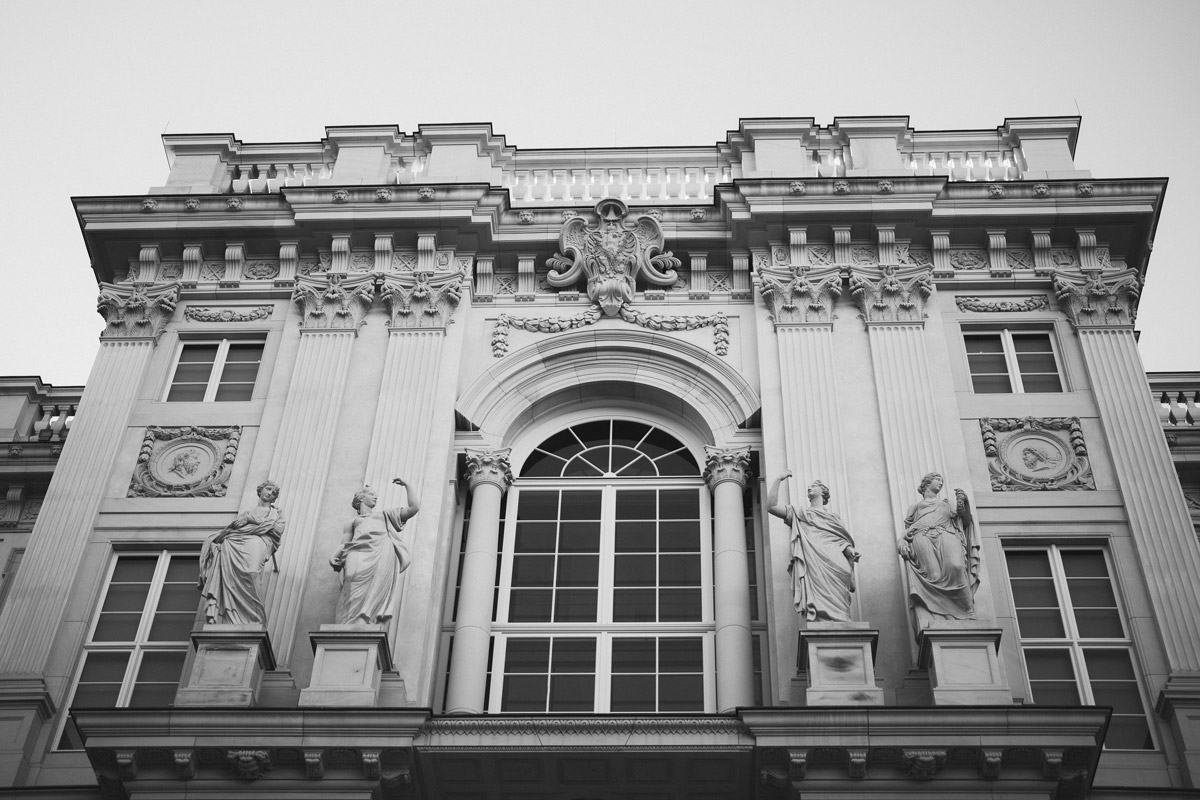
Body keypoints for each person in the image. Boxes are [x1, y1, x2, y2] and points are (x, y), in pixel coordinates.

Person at [767, 471, 860, 622]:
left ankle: (841, 622)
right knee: (819, 599)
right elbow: (771, 507)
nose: (810, 488)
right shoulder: (800, 514)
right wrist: (778, 479)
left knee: (840, 596)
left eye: (814, 486)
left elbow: (842, 541)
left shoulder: (834, 519)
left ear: (823, 493)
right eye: (809, 486)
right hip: (815, 561)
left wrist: (851, 551)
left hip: (836, 561)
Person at [330, 477, 420, 625]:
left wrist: (407, 485)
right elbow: (345, 544)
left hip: (380, 551)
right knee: (350, 580)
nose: (375, 497)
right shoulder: (352, 522)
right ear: (361, 497)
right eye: (371, 494)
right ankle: (346, 622)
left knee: (374, 586)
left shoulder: (384, 515)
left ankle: (363, 618)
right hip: (356, 552)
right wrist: (334, 556)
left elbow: (413, 508)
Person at [897, 472, 980, 630]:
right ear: (927, 483)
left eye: (942, 481)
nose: (941, 483)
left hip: (946, 535)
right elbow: (908, 529)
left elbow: (965, 520)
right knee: (933, 575)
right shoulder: (915, 507)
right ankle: (938, 617)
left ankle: (968, 611)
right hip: (922, 538)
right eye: (938, 480)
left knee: (957, 567)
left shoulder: (947, 504)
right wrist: (901, 541)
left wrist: (965, 503)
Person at [198, 480, 285, 625]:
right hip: (235, 541)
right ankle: (234, 617)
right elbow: (234, 528)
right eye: (268, 489)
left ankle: (255, 617)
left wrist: (250, 519)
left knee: (252, 572)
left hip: (259, 540)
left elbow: (277, 529)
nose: (269, 493)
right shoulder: (246, 512)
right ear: (260, 490)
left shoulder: (276, 513)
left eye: (273, 492)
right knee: (231, 576)